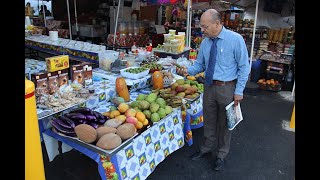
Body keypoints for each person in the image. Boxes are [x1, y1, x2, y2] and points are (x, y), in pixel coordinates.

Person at [176, 9, 250, 171]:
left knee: (225, 124)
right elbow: (200, 65)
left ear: (217, 24)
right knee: (209, 121)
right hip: (208, 87)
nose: (202, 30)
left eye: (205, 26)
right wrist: (188, 70)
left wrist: (239, 91)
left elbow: (244, 67)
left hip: (227, 88)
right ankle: (206, 149)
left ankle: (221, 154)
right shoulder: (205, 42)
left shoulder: (235, 39)